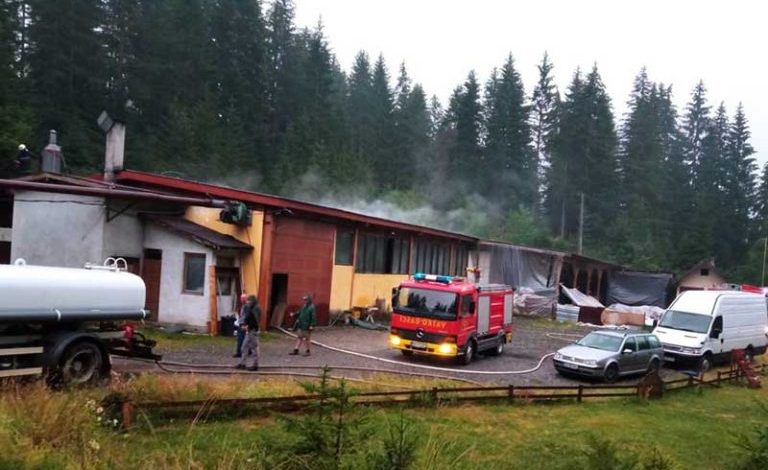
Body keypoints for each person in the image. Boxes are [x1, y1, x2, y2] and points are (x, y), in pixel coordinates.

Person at [235, 295, 261, 371]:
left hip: (253, 330)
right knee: (244, 347)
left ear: (252, 301)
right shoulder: (252, 308)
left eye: (248, 300)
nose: (247, 302)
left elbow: (255, 321)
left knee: (254, 348)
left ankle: (255, 365)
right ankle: (242, 363)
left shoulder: (255, 309)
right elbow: (248, 318)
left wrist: (247, 326)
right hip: (250, 330)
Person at [232, 293, 248, 358]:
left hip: (244, 324)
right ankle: (247, 351)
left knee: (240, 338)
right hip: (242, 323)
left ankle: (239, 353)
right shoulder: (243, 306)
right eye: (241, 298)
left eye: (243, 298)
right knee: (244, 338)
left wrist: (246, 324)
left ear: (246, 299)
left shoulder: (246, 306)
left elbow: (248, 316)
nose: (242, 300)